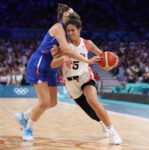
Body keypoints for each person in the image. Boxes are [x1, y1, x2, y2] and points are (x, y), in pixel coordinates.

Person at [14, 3, 100, 141]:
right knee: (44, 102)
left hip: (51, 67)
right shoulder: (58, 27)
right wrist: (87, 60)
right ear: (65, 14)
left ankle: (23, 116)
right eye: (72, 12)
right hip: (39, 64)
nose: (75, 13)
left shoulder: (66, 32)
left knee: (52, 102)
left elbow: (64, 51)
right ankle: (28, 129)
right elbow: (66, 49)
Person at [50, 15, 122, 144]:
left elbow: (103, 57)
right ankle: (102, 123)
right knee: (90, 113)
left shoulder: (87, 43)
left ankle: (113, 132)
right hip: (70, 82)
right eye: (68, 31)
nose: (70, 33)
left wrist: (112, 61)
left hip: (85, 76)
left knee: (93, 101)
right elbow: (53, 65)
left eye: (73, 30)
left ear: (79, 30)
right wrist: (61, 59)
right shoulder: (63, 46)